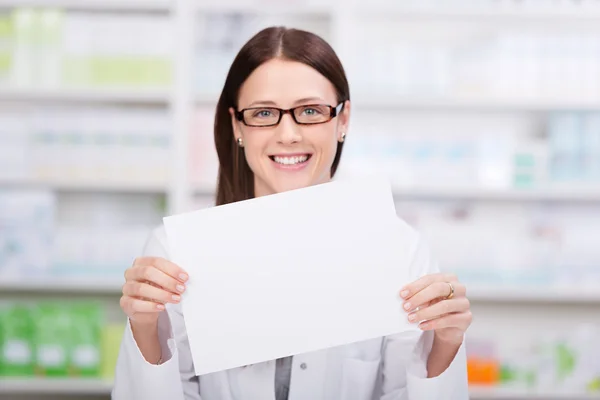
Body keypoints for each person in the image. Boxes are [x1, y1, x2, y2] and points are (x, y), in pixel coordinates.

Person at [112, 26, 472, 400]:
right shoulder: (175, 252)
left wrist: (444, 344)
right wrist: (144, 329)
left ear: (342, 120)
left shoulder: (400, 250)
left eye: (310, 111)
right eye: (264, 112)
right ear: (238, 125)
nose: (288, 134)